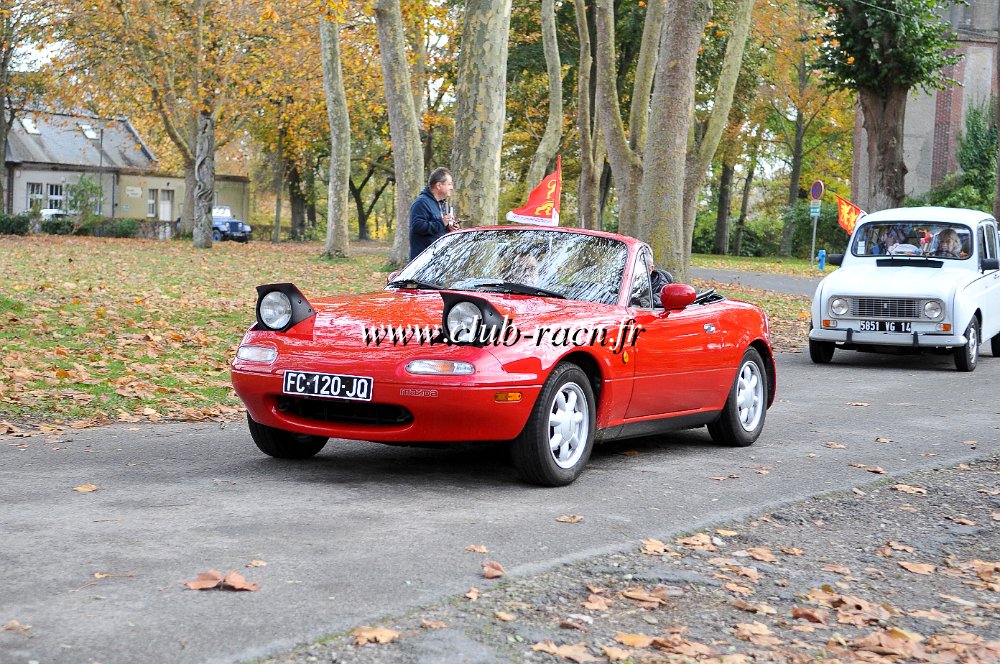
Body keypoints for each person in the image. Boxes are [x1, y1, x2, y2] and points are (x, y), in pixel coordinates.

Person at [409, 167, 458, 260]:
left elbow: (440, 229)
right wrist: (441, 223)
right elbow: (417, 226)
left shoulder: (444, 205)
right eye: (449, 184)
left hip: (440, 260)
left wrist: (449, 227)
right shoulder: (421, 203)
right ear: (439, 185)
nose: (451, 188)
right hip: (424, 262)